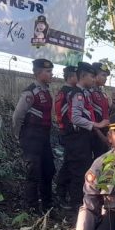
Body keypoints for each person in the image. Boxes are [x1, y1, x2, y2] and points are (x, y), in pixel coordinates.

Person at [57, 63, 106, 209]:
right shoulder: (77, 94)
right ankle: (76, 203)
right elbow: (75, 118)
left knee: (81, 166)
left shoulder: (84, 93)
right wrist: (95, 125)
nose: (93, 79)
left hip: (83, 136)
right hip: (76, 137)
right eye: (91, 76)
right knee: (79, 169)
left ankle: (76, 200)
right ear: (83, 76)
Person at [11, 58, 55, 212]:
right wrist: (19, 136)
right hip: (31, 136)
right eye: (48, 71)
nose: (51, 74)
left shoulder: (46, 91)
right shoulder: (30, 92)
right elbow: (17, 116)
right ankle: (32, 207)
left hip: (44, 137)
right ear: (38, 73)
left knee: (48, 170)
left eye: (51, 71)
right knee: (33, 172)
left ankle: (47, 204)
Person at [53, 65, 79, 205]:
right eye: (77, 75)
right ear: (71, 77)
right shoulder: (67, 93)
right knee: (69, 164)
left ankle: (65, 192)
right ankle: (61, 193)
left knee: (70, 163)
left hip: (69, 132)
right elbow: (64, 115)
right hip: (69, 133)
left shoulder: (68, 92)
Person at [88, 63, 111, 157]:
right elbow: (90, 115)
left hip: (105, 132)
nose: (105, 78)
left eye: (106, 76)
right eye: (103, 75)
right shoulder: (88, 92)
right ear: (95, 75)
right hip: (94, 133)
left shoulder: (102, 92)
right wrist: (99, 133)